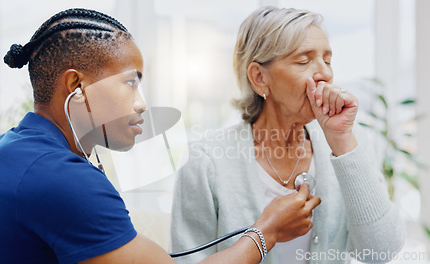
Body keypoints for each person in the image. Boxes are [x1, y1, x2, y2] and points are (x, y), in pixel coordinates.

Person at [0, 8, 321, 264]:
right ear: (76, 86)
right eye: (130, 83)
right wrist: (266, 231)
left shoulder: (12, 150)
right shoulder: (57, 177)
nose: (141, 105)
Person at [170, 6, 405, 264]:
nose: (325, 73)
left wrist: (342, 142)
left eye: (327, 60)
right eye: (304, 61)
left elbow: (380, 251)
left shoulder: (348, 141)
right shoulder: (204, 162)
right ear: (259, 78)